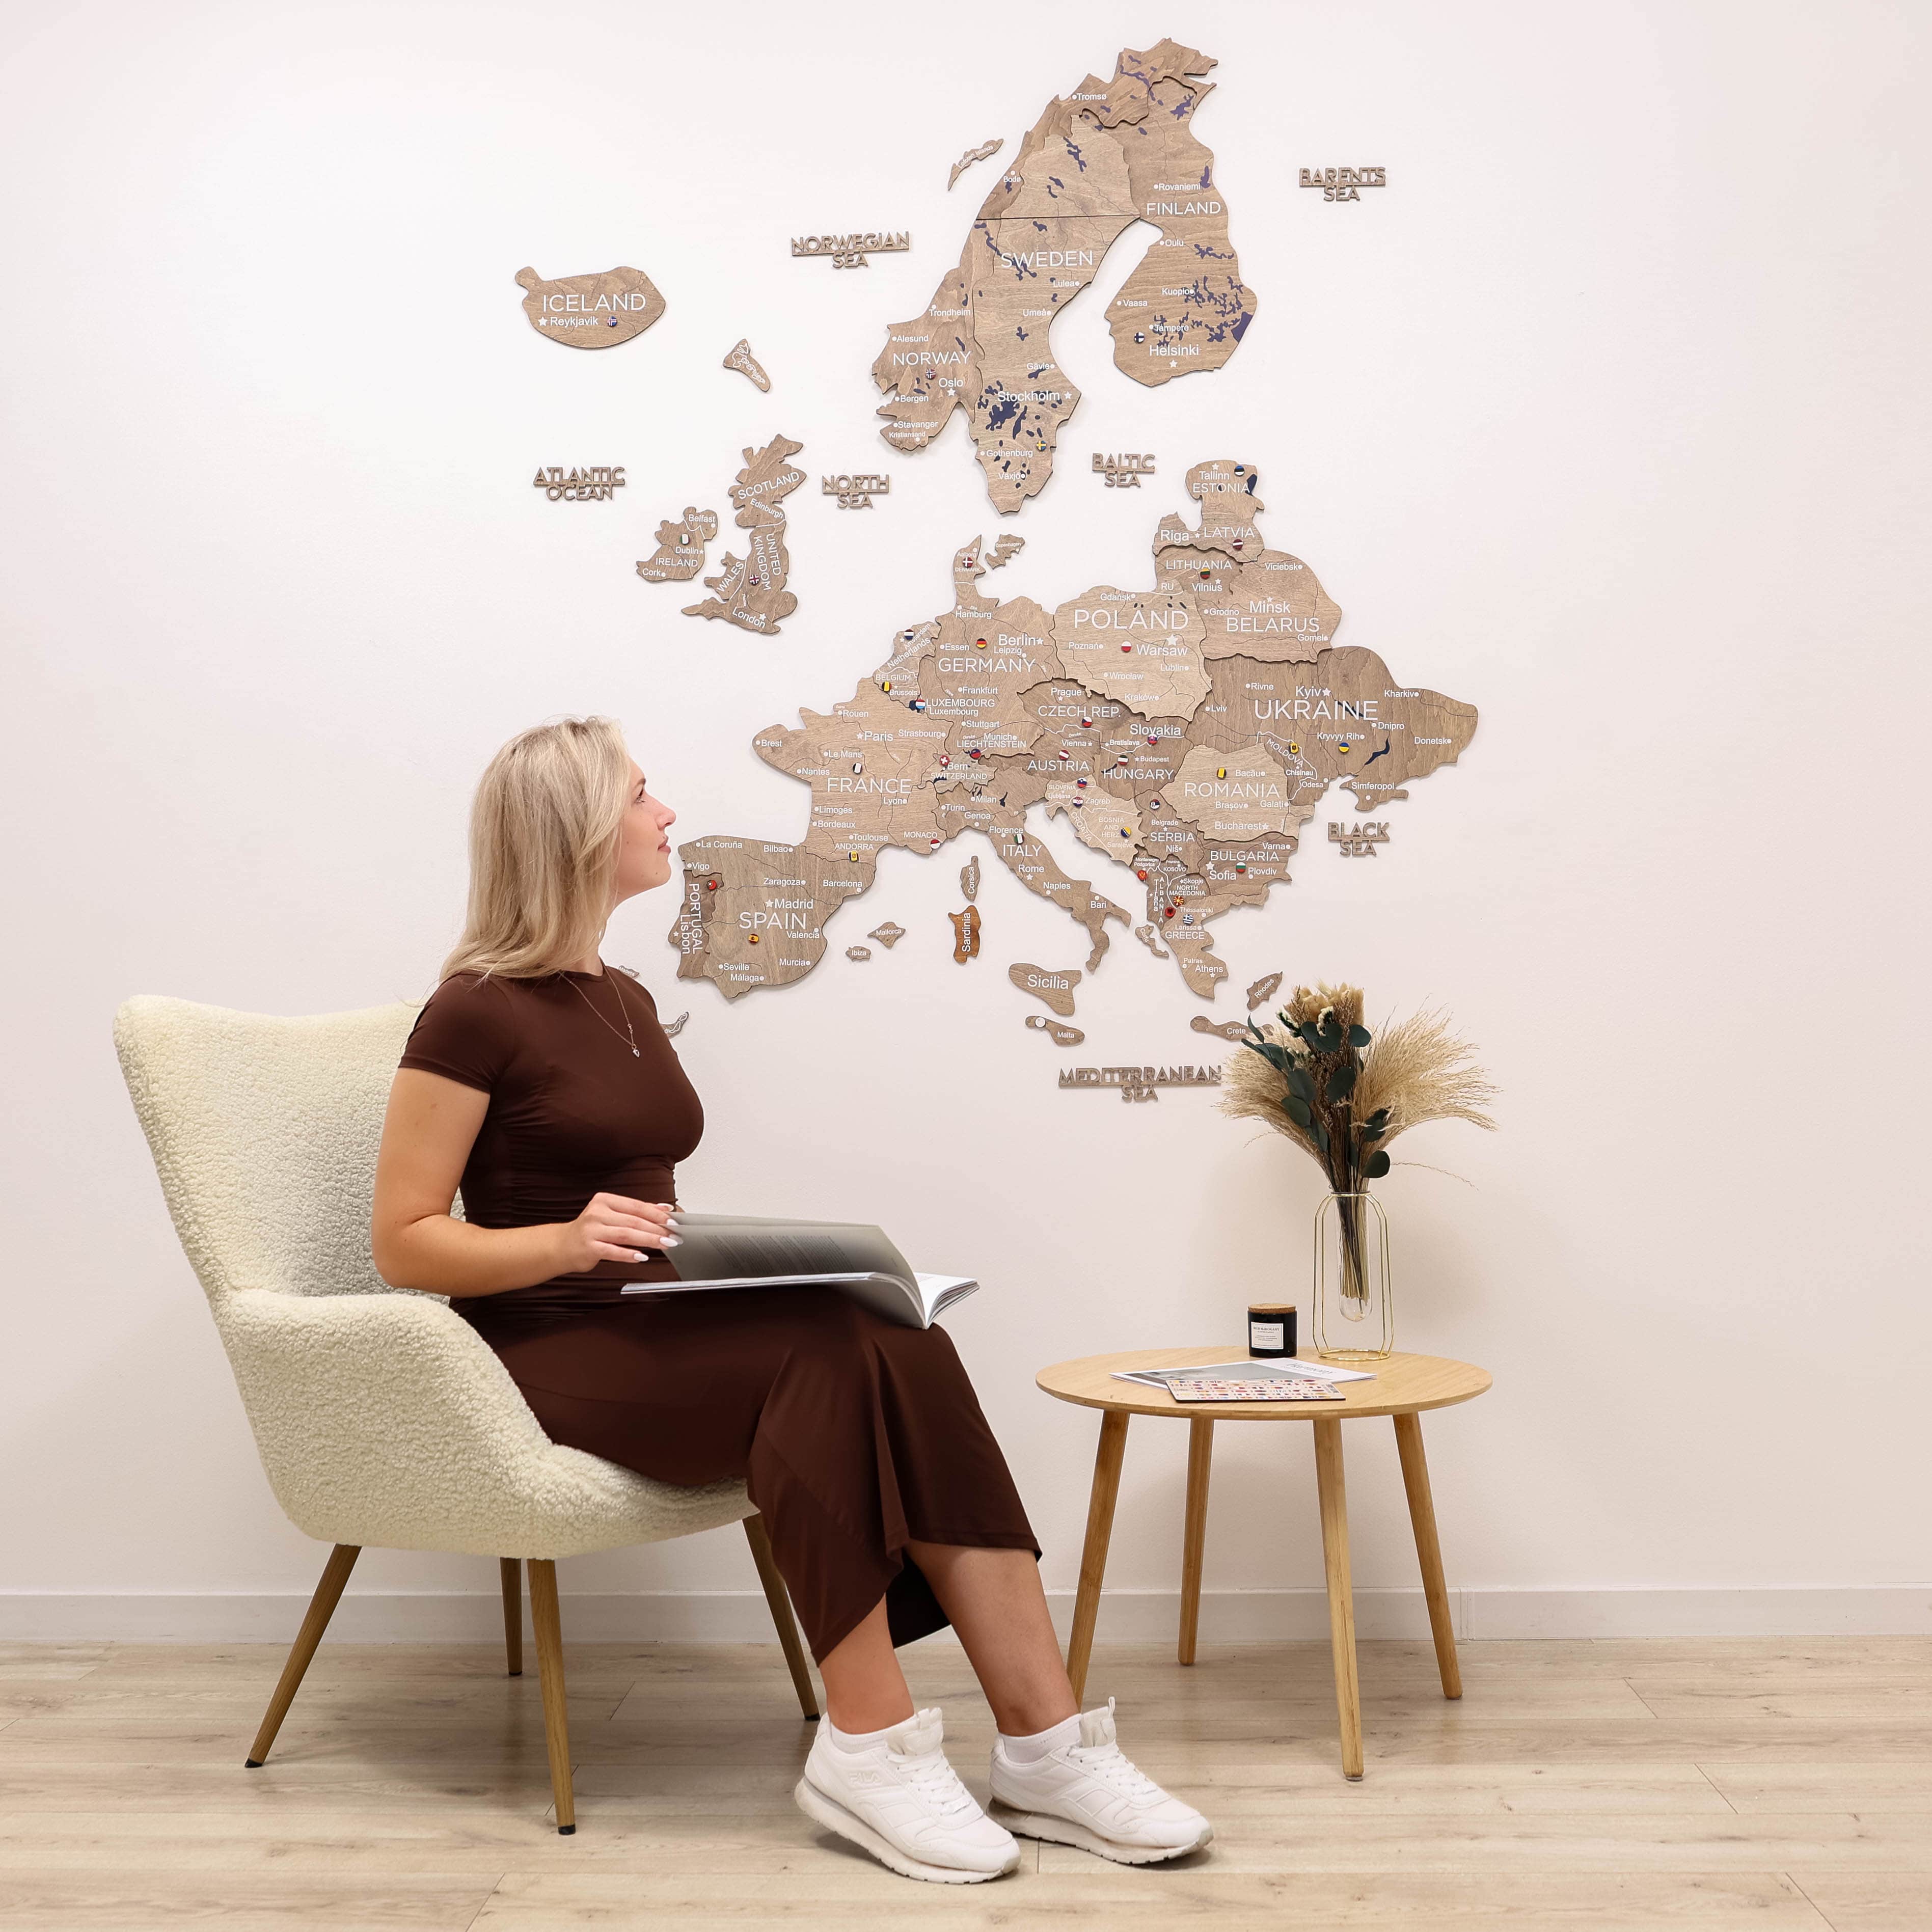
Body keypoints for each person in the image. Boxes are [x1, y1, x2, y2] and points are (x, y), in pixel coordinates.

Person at [370, 716, 1212, 1885]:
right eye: (641, 795)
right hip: (551, 1340)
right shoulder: (471, 1008)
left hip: (654, 1314)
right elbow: (404, 1243)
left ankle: (1047, 1745)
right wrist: (560, 1241)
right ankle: (869, 1742)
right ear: (572, 828)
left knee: (889, 1324)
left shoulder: (618, 991)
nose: (665, 814)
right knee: (816, 1358)